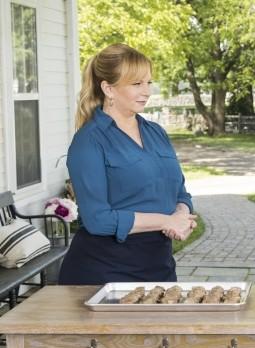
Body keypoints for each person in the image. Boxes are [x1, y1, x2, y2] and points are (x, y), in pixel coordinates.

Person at [59, 44, 197, 285]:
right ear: (108, 88)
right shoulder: (88, 142)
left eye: (149, 83)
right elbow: (97, 219)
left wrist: (181, 215)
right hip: (103, 274)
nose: (146, 91)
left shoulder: (156, 133)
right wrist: (165, 221)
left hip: (159, 269)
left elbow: (180, 192)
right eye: (136, 84)